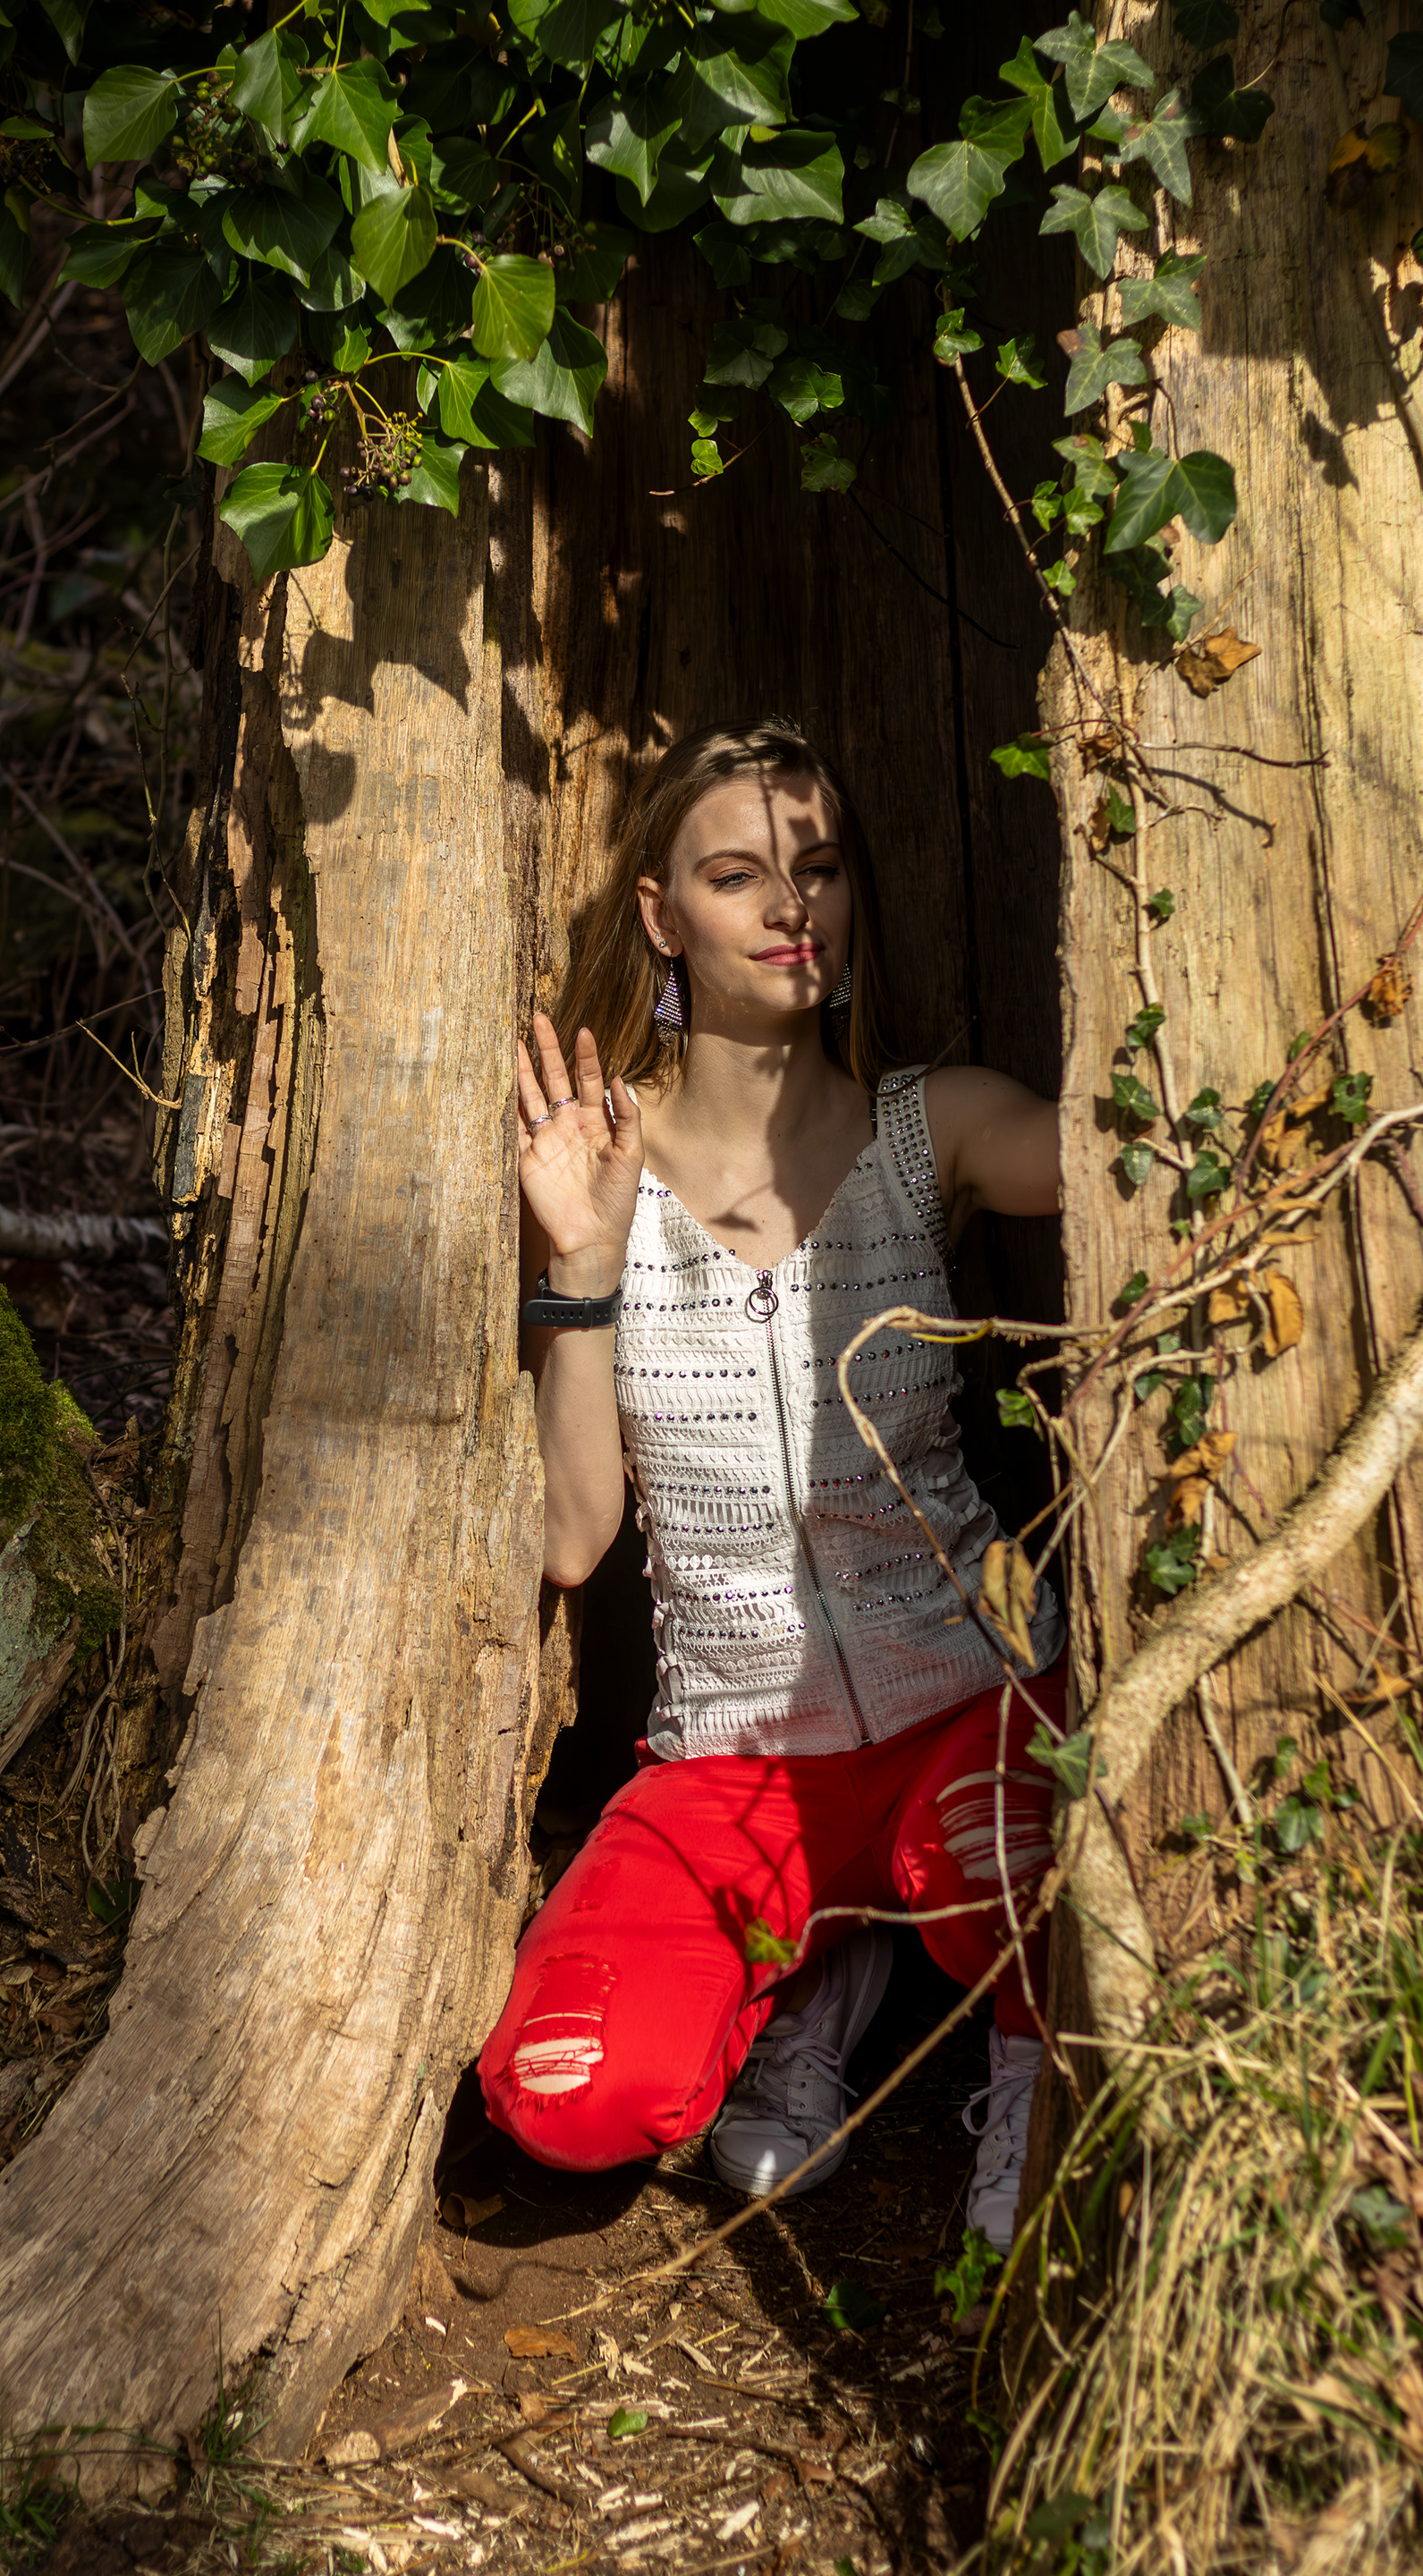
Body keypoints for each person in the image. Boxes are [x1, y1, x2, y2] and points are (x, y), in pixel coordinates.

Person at [477, 718, 1069, 2251]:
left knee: (1020, 1864)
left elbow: (1105, 1157)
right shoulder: (601, 1170)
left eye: (818, 866)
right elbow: (572, 1538)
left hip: (975, 1693)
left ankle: (1029, 2075)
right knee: (569, 2093)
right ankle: (813, 1975)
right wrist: (580, 1266)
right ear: (663, 917)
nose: (792, 904)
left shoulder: (928, 1127)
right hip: (731, 1753)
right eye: (737, 875)